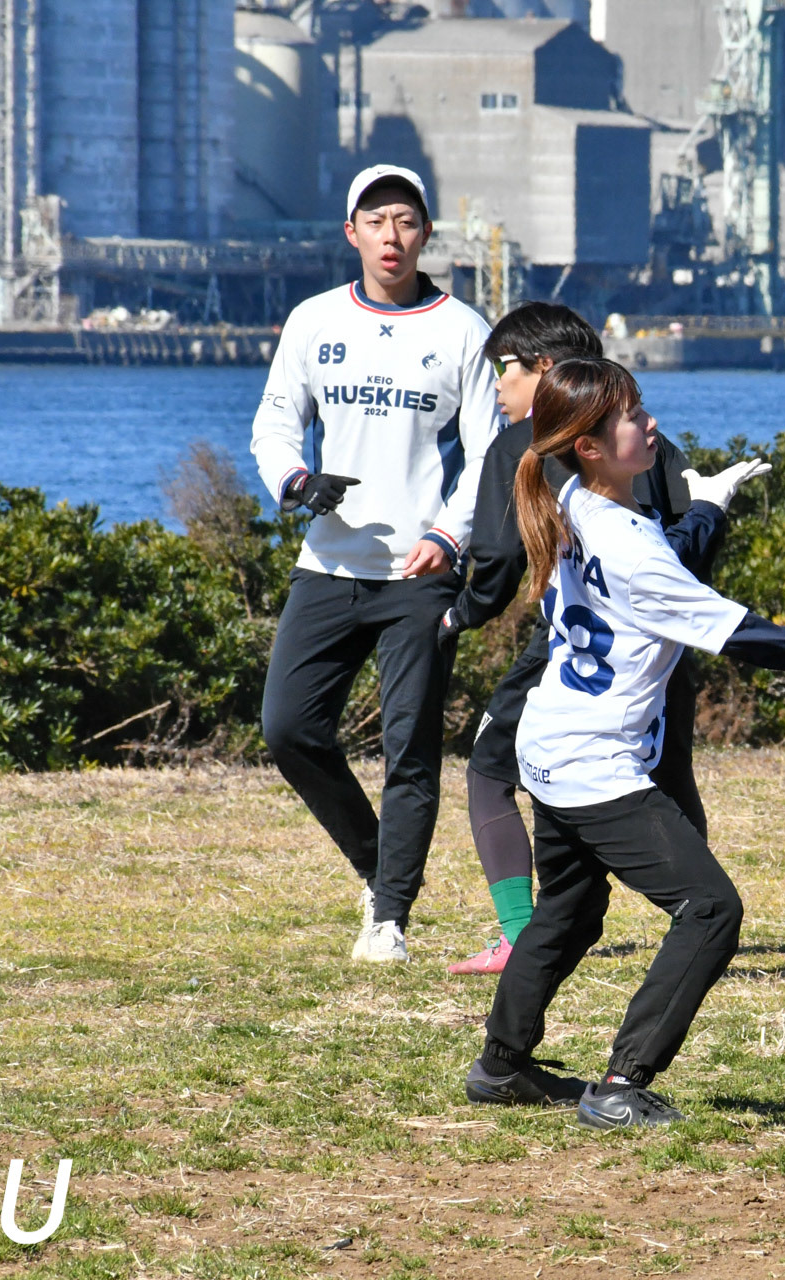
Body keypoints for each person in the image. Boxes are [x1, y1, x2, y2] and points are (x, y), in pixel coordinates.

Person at [465, 358, 785, 1127]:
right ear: (589, 446)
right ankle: (621, 1085)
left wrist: (708, 508)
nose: (650, 423)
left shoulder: (569, 501)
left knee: (569, 909)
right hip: (595, 764)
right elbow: (751, 636)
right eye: (632, 416)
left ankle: (500, 1067)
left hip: (548, 744)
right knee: (710, 907)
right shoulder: (626, 545)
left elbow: (662, 558)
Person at [437, 302, 768, 976]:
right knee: (669, 777)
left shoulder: (526, 444)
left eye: (506, 369)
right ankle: (699, 922)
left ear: (547, 369)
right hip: (661, 649)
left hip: (574, 651)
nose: (497, 387)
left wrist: (456, 616)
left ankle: (519, 936)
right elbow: (682, 550)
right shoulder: (643, 434)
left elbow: (497, 562)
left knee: (489, 773)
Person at [250, 164, 498, 964]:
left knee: (410, 751)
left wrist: (451, 537)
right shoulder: (314, 320)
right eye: (377, 220)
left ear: (426, 234)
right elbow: (274, 425)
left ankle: (389, 917)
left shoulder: (463, 330)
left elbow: (490, 457)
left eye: (407, 221)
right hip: (328, 562)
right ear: (351, 232)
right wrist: (297, 481)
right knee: (289, 727)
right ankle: (374, 862)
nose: (392, 236)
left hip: (421, 576)